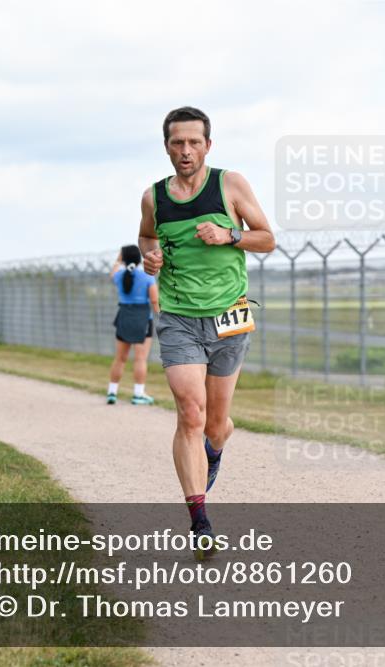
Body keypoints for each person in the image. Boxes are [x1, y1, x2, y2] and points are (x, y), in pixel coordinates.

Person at [139, 106, 275, 557]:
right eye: (177, 142)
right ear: (166, 147)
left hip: (229, 316)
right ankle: (199, 521)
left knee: (216, 425)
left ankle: (213, 452)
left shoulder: (229, 185)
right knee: (190, 414)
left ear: (207, 146)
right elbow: (147, 238)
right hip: (177, 316)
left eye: (194, 142)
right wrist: (151, 257)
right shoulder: (153, 198)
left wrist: (229, 235)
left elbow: (267, 239)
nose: (185, 150)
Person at [108, 245, 159, 405]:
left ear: (123, 258)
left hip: (123, 316)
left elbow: (113, 273)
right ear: (139, 258)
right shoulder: (147, 276)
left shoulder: (120, 276)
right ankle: (138, 394)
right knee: (140, 359)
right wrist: (161, 314)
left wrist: (118, 260)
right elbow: (154, 300)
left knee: (120, 358)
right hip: (142, 318)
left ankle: (112, 392)